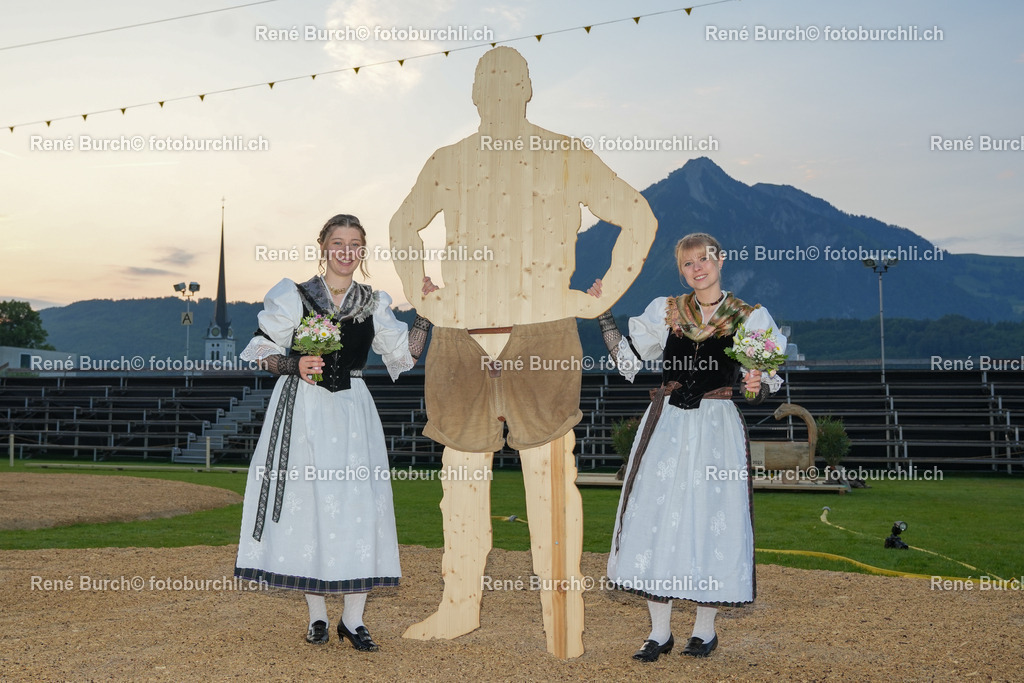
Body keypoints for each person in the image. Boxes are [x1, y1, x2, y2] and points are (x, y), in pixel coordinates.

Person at [389, 46, 657, 658]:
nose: (502, 91)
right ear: (476, 94)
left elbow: (637, 216)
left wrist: (603, 294)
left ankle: (563, 624)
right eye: (492, 81)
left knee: (553, 482)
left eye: (511, 82)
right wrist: (419, 293)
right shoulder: (450, 161)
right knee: (460, 480)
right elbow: (403, 226)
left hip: (542, 327)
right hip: (462, 332)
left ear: (528, 89)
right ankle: (458, 607)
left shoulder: (566, 154)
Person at [234, 214, 429, 650]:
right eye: (337, 242)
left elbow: (405, 355)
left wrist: (426, 316)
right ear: (323, 246)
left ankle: (354, 620)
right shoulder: (295, 294)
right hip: (303, 409)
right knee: (312, 506)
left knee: (359, 505)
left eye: (354, 244)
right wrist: (292, 363)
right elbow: (260, 346)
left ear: (362, 251)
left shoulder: (374, 301)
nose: (345, 251)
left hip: (352, 411)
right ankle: (318, 617)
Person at [589, 232, 786, 662]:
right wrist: (603, 315)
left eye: (704, 259)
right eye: (688, 263)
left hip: (716, 426)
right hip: (668, 426)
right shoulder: (667, 310)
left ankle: (704, 630)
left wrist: (755, 381)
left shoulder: (749, 317)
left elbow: (762, 385)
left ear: (721, 260)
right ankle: (658, 633)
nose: (697, 268)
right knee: (654, 516)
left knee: (712, 517)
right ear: (681, 271)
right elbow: (628, 358)